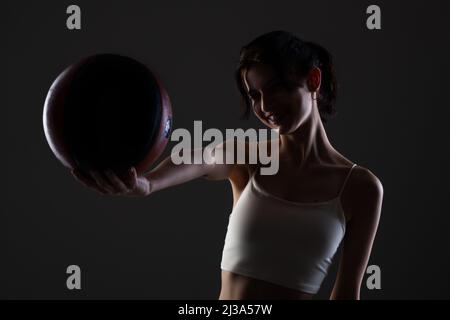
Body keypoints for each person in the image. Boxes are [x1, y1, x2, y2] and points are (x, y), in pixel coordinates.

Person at [71, 30, 383, 300]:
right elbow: (204, 157)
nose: (265, 106)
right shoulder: (247, 158)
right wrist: (149, 183)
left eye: (275, 88)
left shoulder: (361, 188)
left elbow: (345, 293)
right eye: (255, 96)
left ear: (313, 79)